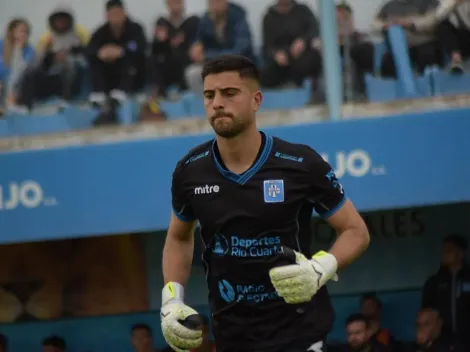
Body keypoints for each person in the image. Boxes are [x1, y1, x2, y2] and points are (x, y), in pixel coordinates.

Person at [160, 54, 370, 352]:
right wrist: (171, 299)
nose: (217, 102)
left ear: (256, 100)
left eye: (229, 93)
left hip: (301, 334)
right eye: (209, 95)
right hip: (232, 337)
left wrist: (318, 269)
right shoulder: (189, 170)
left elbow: (356, 231)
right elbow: (178, 238)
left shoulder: (301, 163)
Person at [87, 0, 146, 106]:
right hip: (109, 73)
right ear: (107, 16)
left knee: (132, 58)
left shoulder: (135, 28)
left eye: (118, 13)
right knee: (94, 60)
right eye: (112, 14)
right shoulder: (101, 32)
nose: (115, 18)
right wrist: (100, 52)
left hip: (131, 76)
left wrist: (121, 50)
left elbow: (138, 45)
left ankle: (122, 91)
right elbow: (90, 49)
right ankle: (98, 93)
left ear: (124, 13)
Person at [422, 235, 470, 346]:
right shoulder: (434, 282)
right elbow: (426, 313)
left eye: (449, 250)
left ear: (460, 254)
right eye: (443, 250)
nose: (444, 254)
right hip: (442, 342)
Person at [150, 0, 199, 97]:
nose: (175, 6)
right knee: (154, 59)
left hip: (186, 61)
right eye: (172, 2)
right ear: (167, 4)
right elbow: (155, 49)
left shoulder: (192, 22)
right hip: (167, 63)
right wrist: (160, 40)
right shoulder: (162, 23)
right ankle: (160, 90)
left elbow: (197, 42)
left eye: (178, 2)